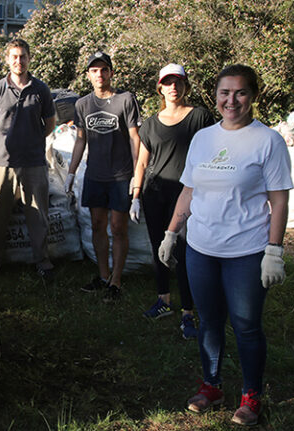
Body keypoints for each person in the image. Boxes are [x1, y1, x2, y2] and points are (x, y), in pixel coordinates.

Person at [158, 64, 292, 426]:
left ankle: (251, 396)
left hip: (246, 252)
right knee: (210, 321)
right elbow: (189, 189)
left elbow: (279, 200)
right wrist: (172, 232)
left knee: (246, 325)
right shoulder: (203, 138)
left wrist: (274, 251)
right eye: (224, 93)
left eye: (240, 93)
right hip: (201, 248)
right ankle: (212, 385)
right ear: (215, 96)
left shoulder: (268, 141)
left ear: (253, 96)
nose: (231, 100)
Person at [130, 63, 214, 337]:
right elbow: (142, 163)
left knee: (183, 251)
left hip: (188, 194)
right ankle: (164, 299)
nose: (173, 88)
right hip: (155, 193)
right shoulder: (151, 124)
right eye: (168, 83)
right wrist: (136, 195)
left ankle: (189, 312)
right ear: (160, 88)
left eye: (178, 82)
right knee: (159, 248)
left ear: (185, 86)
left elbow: (214, 152)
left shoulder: (200, 117)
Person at [65, 51, 142, 301]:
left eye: (104, 69)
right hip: (95, 176)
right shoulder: (82, 104)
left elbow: (134, 139)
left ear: (111, 72)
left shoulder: (126, 100)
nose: (99, 74)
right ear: (88, 75)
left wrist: (136, 175)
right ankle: (102, 275)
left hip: (120, 176)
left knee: (118, 228)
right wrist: (70, 173)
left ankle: (116, 281)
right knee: (97, 225)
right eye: (94, 70)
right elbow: (79, 141)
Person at [0, 38, 56, 280]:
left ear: (29, 58)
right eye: (14, 56)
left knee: (38, 215)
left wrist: (32, 140)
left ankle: (42, 261)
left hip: (34, 162)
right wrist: (6, 143)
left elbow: (50, 124)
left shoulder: (41, 89)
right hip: (3, 163)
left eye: (23, 56)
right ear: (7, 60)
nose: (19, 61)